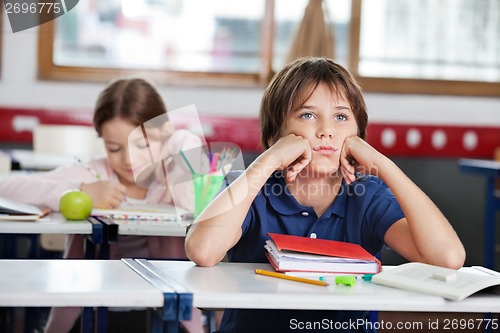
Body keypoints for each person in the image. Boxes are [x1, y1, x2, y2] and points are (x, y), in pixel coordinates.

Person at [185, 57, 466, 333]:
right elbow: (202, 250)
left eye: (341, 117)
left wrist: (385, 167)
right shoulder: (249, 189)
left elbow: (447, 258)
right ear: (276, 136)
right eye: (308, 115)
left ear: (358, 136)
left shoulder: (367, 197)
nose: (326, 131)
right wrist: (267, 161)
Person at [0, 78, 204, 333]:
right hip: (91, 310)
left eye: (142, 145)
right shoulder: (94, 174)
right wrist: (81, 191)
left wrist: (182, 141)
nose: (129, 159)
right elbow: (6, 187)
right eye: (114, 148)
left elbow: (197, 205)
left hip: (167, 313)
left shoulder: (173, 177)